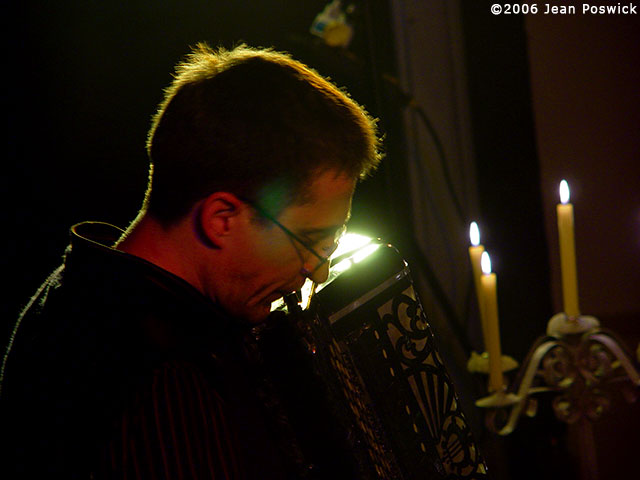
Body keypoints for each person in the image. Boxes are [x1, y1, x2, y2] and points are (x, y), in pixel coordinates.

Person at [1, 43, 381, 478]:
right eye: (311, 241)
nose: (319, 270)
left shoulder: (77, 288)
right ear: (222, 219)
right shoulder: (163, 373)